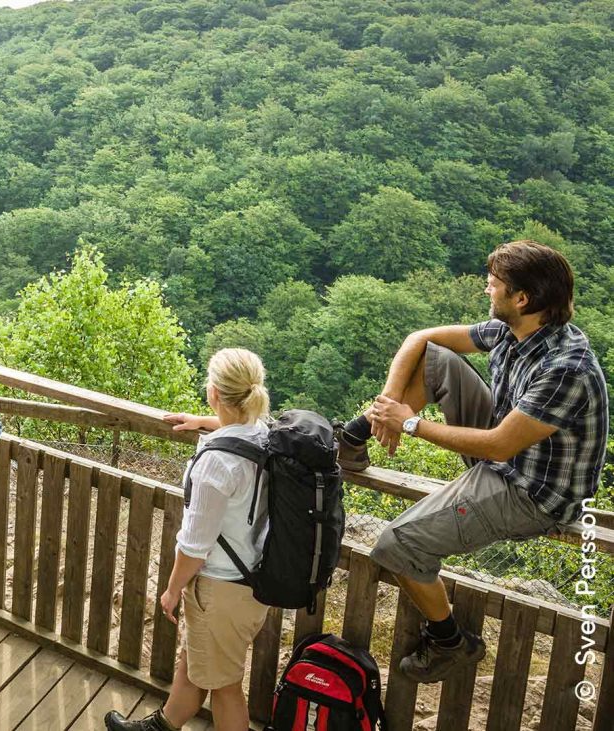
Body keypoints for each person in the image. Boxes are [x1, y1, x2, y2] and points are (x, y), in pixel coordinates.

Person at [335, 239, 608, 682]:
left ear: (522, 299)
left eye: (494, 284)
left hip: (530, 491)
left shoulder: (566, 368)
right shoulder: (515, 331)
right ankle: (353, 437)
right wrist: (386, 408)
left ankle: (450, 643)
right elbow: (419, 340)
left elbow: (500, 446)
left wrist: (408, 424)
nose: (487, 288)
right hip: (505, 452)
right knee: (437, 360)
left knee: (397, 544)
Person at [106, 348, 273, 731]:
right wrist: (204, 421)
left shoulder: (217, 463)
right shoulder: (265, 433)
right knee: (195, 661)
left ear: (213, 392)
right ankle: (161, 726)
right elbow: (239, 429)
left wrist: (171, 589)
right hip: (251, 577)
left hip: (221, 587)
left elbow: (195, 545)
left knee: (226, 686)